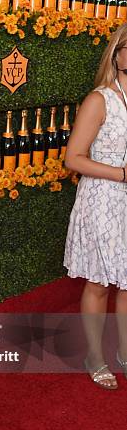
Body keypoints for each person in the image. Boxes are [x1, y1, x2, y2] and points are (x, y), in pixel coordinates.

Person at [64, 22, 127, 390]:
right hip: (102, 199)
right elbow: (74, 157)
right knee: (100, 282)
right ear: (117, 54)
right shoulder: (99, 99)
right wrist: (121, 173)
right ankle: (94, 355)